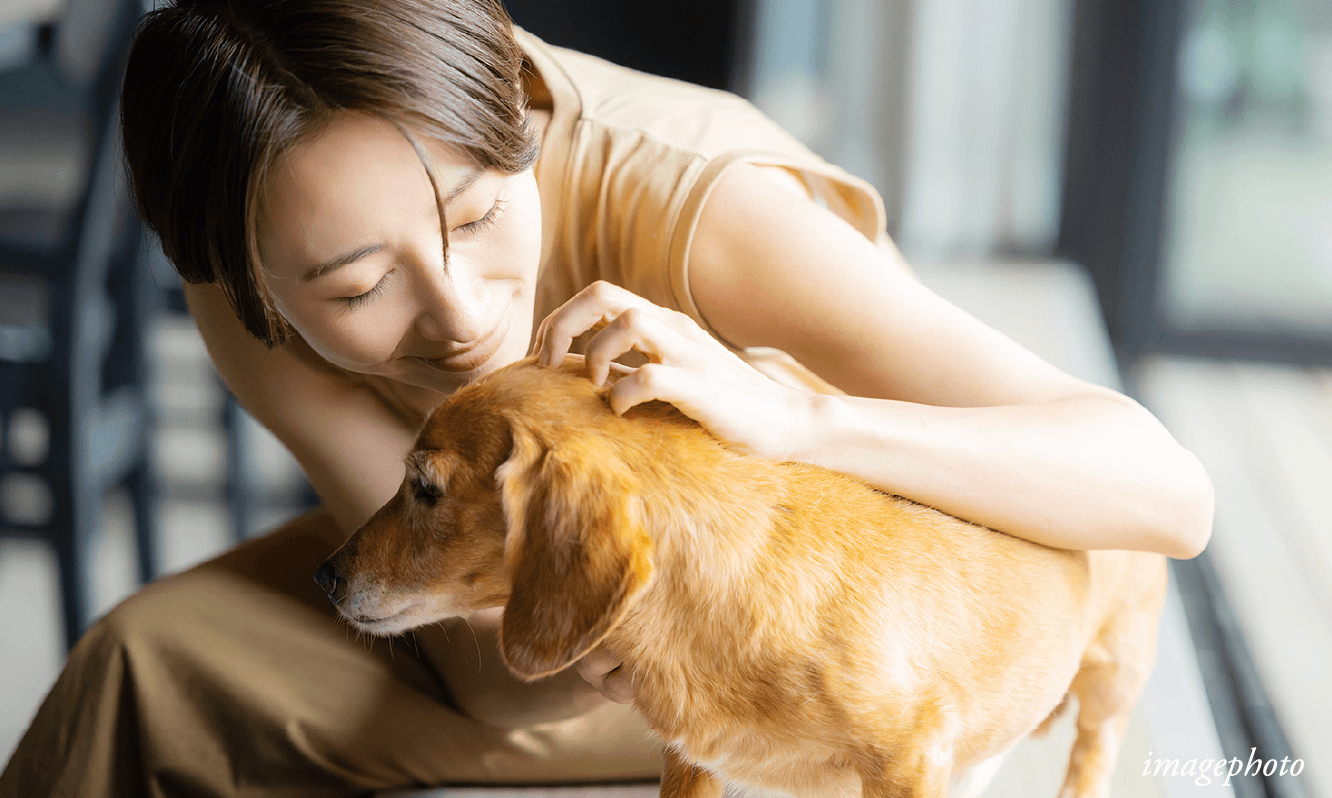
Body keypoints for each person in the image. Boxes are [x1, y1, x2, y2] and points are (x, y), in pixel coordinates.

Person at [1, 0, 1216, 795]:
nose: (469, 315)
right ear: (255, 288)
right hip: (534, 615)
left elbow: (1165, 492)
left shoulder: (697, 206)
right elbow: (478, 656)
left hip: (814, 616)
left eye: (479, 216)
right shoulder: (247, 273)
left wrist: (802, 420)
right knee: (133, 665)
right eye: (364, 287)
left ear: (521, 112)